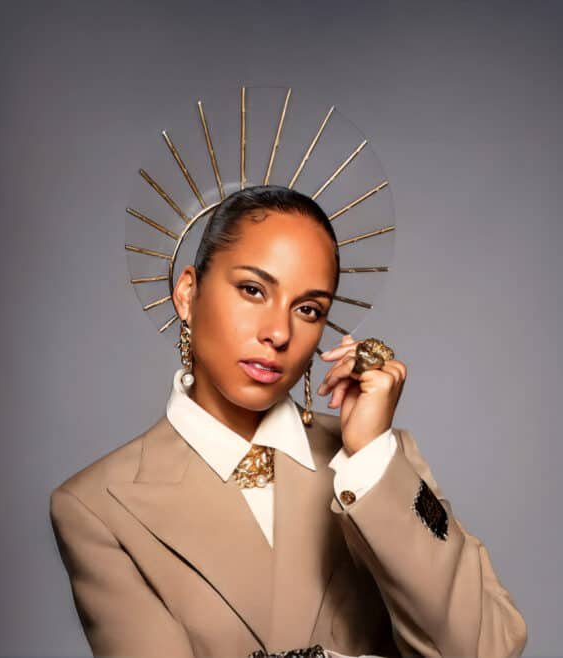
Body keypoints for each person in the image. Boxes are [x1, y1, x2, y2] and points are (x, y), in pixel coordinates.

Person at [49, 185, 528, 657]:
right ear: (187, 294)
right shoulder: (97, 506)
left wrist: (370, 455)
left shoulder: (376, 463)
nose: (279, 332)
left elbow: (486, 648)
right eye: (253, 290)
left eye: (308, 309)